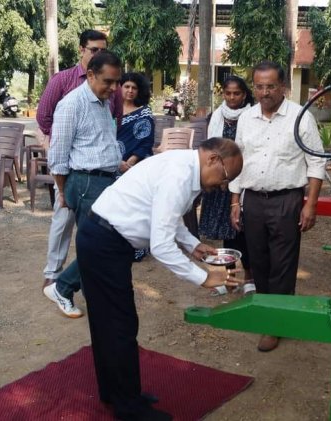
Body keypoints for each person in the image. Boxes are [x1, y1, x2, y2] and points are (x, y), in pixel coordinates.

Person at [78, 137, 243, 420]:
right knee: (119, 324)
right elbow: (162, 246)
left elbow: (168, 216)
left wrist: (192, 244)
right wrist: (205, 277)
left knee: (111, 323)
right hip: (103, 241)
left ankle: (117, 393)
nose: (222, 186)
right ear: (213, 159)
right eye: (225, 177)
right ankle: (129, 408)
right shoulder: (180, 176)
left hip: (102, 238)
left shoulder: (186, 169)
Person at [228, 61, 326, 352]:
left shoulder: (300, 117)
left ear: (283, 87)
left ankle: (275, 323)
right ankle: (269, 309)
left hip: (287, 201)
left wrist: (311, 204)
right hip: (254, 200)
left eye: (271, 86)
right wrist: (235, 200)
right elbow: (237, 159)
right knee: (258, 261)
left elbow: (316, 161)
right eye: (259, 86)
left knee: (282, 263)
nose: (265, 92)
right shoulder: (246, 118)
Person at [37, 29, 123, 294]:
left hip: (99, 176)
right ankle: (56, 280)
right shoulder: (64, 86)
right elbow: (45, 120)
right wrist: (63, 186)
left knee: (95, 239)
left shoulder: (107, 95)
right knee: (65, 225)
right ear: (82, 50)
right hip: (74, 174)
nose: (114, 88)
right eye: (94, 49)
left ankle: (82, 286)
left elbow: (112, 124)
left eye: (102, 49)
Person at [200, 75, 256, 296]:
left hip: (243, 182)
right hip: (219, 185)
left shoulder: (252, 116)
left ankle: (250, 277)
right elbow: (209, 149)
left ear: (244, 95)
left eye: (237, 93)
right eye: (228, 93)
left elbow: (250, 153)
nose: (232, 97)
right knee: (226, 234)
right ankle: (230, 278)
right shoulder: (216, 116)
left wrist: (236, 181)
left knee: (243, 232)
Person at [117, 72, 155, 262]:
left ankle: (136, 249)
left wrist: (129, 164)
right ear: (119, 88)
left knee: (135, 208)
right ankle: (116, 247)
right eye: (126, 87)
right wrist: (117, 163)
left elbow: (146, 142)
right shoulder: (109, 110)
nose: (130, 91)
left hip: (136, 168)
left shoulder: (144, 113)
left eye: (134, 88)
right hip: (111, 166)